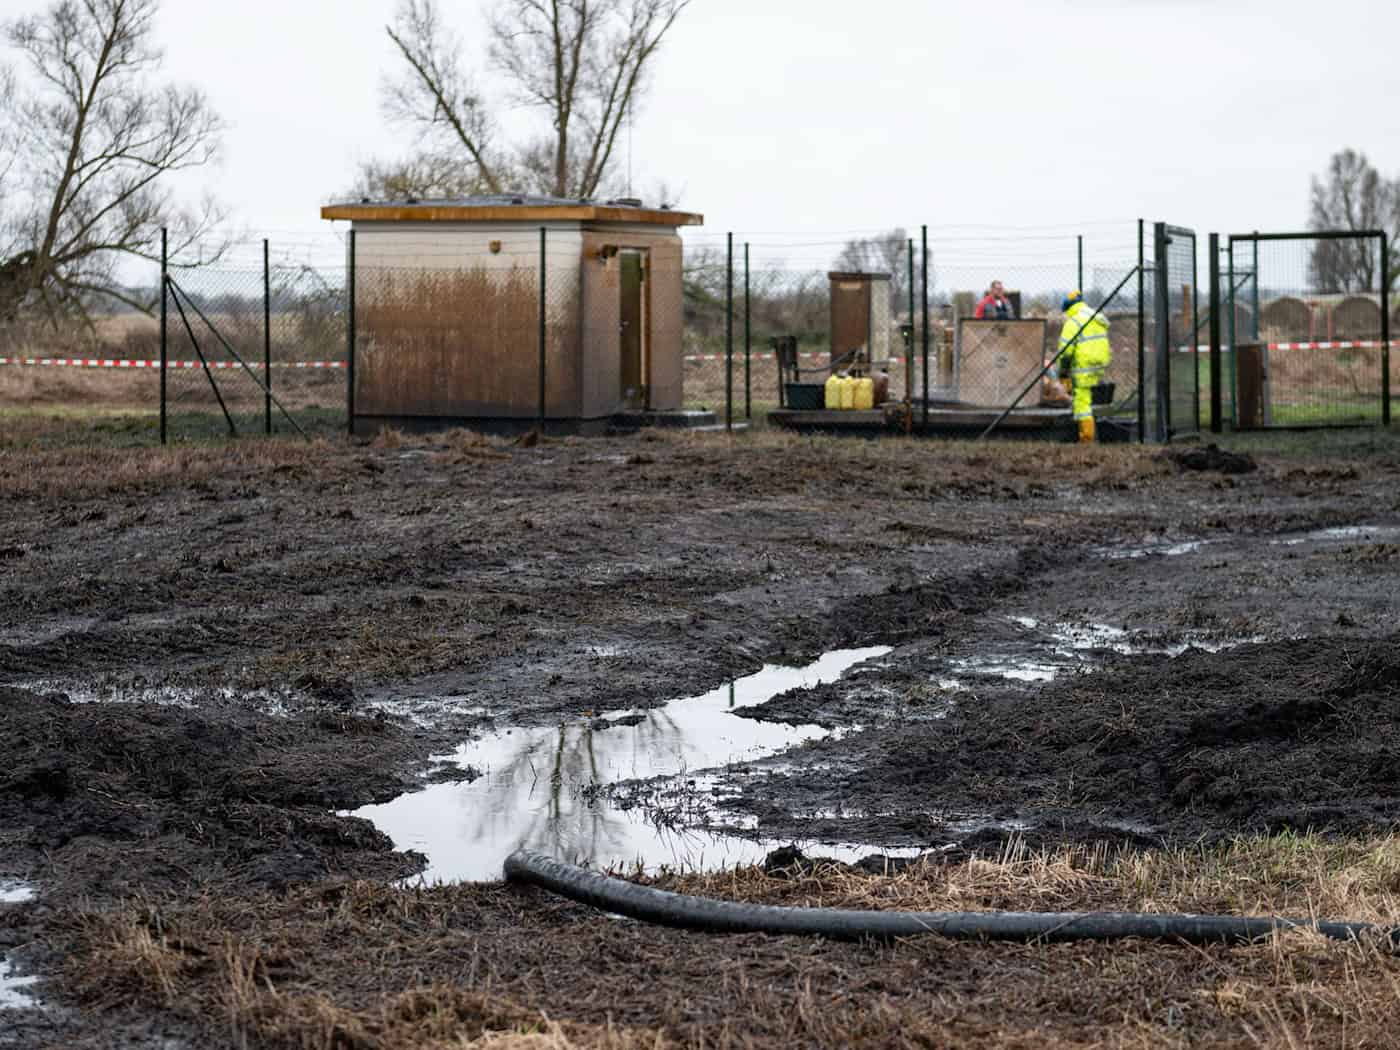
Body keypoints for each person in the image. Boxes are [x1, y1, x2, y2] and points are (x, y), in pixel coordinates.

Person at [1057, 290, 1111, 443]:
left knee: (1082, 402)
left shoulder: (1072, 322)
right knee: (1090, 398)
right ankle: (1094, 432)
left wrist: (1063, 371)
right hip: (1099, 363)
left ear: (1069, 308)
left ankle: (1086, 439)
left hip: (1083, 365)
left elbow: (1066, 351)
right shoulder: (1095, 317)